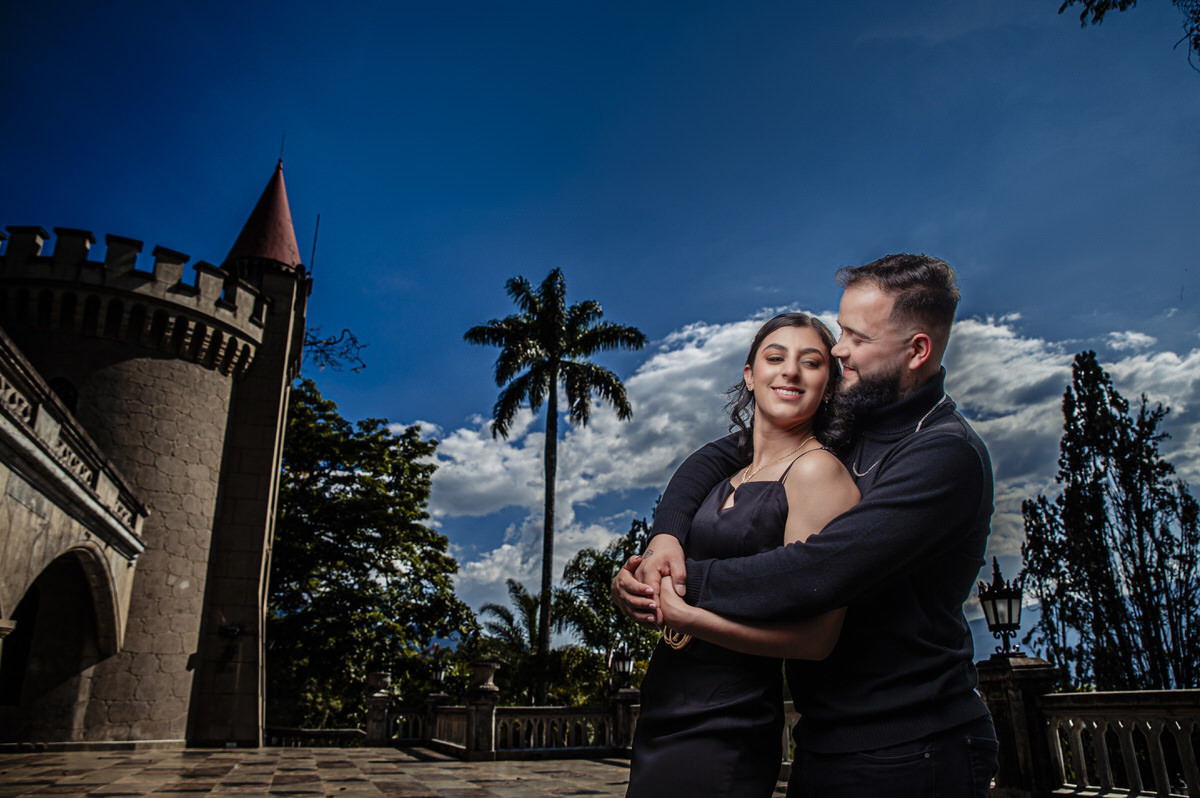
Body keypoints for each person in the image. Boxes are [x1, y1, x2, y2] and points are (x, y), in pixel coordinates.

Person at [614, 254, 999, 797]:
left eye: (857, 338)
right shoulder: (851, 421)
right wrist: (665, 538)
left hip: (915, 747)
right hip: (827, 738)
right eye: (841, 331)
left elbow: (816, 570)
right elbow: (715, 458)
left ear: (917, 351)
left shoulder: (944, 455)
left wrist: (679, 585)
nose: (840, 350)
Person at [627, 312, 860, 798]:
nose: (790, 371)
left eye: (811, 362)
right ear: (750, 376)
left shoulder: (818, 473)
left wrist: (690, 618)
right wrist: (631, 585)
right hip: (666, 702)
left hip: (729, 715)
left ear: (830, 385)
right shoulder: (720, 477)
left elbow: (816, 640)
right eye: (775, 358)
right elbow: (676, 575)